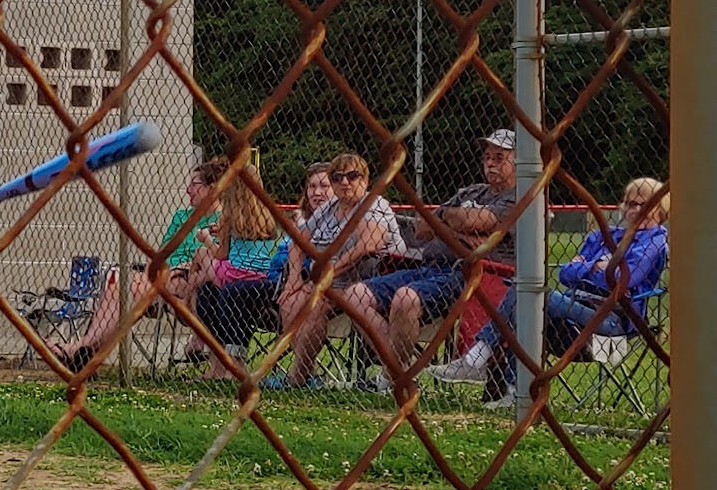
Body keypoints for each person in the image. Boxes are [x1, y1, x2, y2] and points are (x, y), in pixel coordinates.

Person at [435, 176, 669, 400]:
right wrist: (598, 266)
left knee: (530, 295)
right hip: (577, 307)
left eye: (641, 204)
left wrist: (588, 267)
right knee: (527, 311)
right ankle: (513, 391)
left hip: (612, 318)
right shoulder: (603, 236)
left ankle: (477, 358)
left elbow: (623, 278)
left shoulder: (655, 242)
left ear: (659, 209)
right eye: (629, 203)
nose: (634, 210)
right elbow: (566, 274)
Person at [339, 130, 518, 385]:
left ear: (517, 162)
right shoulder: (473, 192)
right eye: (487, 157)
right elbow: (423, 228)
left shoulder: (517, 198)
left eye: (499, 157)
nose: (490, 163)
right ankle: (398, 370)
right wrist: (458, 227)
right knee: (355, 295)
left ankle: (391, 378)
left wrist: (444, 220)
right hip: (427, 268)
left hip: (467, 275)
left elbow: (482, 221)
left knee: (406, 298)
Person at [56, 157, 229, 373]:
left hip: (191, 279)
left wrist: (175, 268)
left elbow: (217, 259)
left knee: (136, 289)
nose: (187, 190)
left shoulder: (224, 219)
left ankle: (82, 350)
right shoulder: (182, 216)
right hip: (165, 275)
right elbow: (164, 254)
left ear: (211, 188)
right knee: (119, 287)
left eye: (194, 185)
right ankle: (86, 352)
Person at [268, 152, 407, 389]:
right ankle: (302, 376)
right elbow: (297, 244)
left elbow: (368, 244)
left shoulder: (374, 203)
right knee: (291, 301)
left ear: (365, 179)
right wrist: (293, 280)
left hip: (373, 280)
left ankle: (397, 373)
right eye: (338, 177)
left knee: (322, 300)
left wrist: (331, 268)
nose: (345, 183)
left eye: (353, 176)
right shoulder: (329, 208)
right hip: (332, 283)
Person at [189, 164, 286, 374]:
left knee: (201, 256)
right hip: (259, 276)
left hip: (232, 274)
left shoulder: (227, 216)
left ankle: (192, 316)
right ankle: (214, 358)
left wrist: (207, 238)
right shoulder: (268, 216)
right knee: (207, 289)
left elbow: (221, 255)